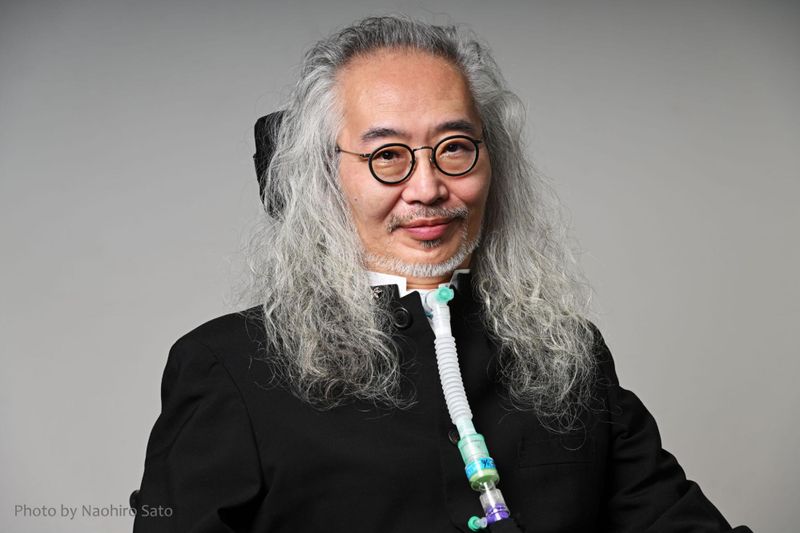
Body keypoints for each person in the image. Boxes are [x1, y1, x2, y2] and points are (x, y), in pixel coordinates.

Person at [132, 16, 752, 533]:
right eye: (386, 155)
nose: (428, 189)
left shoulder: (568, 354)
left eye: (454, 147)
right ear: (322, 177)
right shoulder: (229, 368)